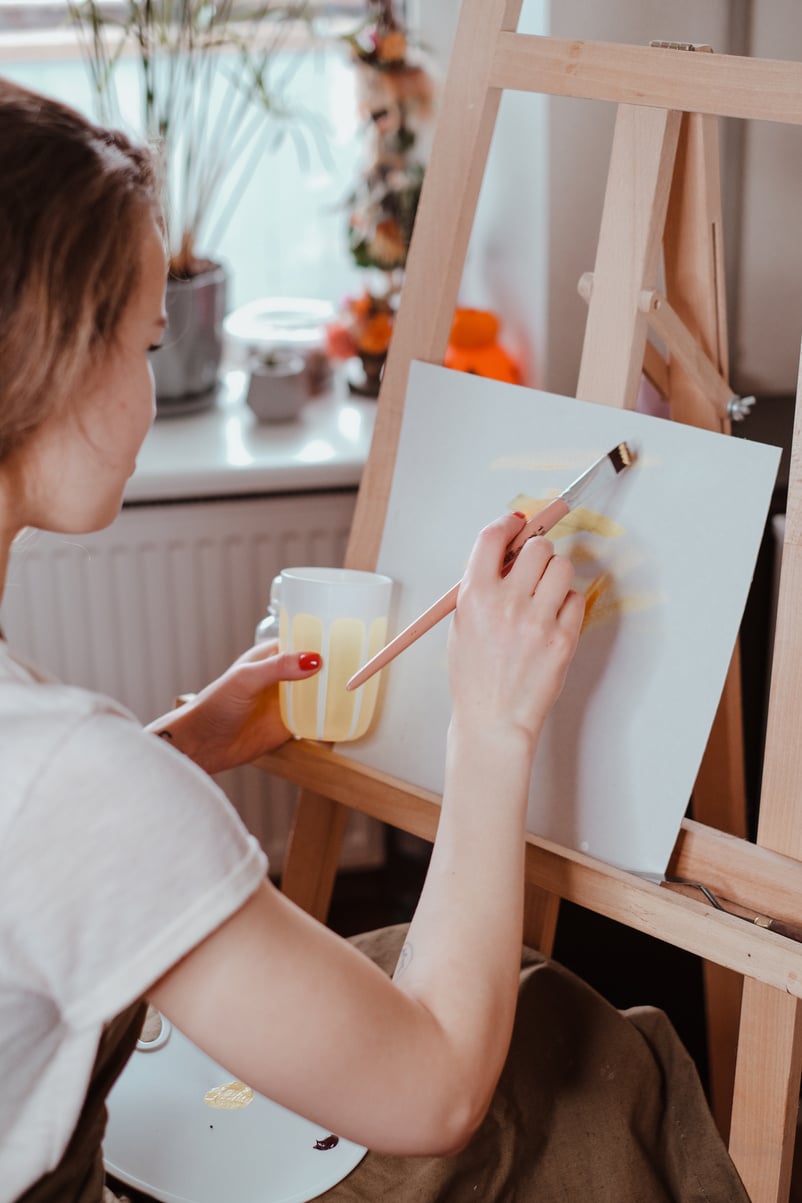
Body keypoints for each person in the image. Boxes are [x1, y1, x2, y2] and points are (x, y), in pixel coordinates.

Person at [0, 81, 748, 1203]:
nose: (151, 395)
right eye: (147, 343)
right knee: (590, 1054)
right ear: (51, 349)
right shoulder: (72, 777)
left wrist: (186, 743)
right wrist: (490, 724)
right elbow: (436, 1091)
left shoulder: (60, 767)